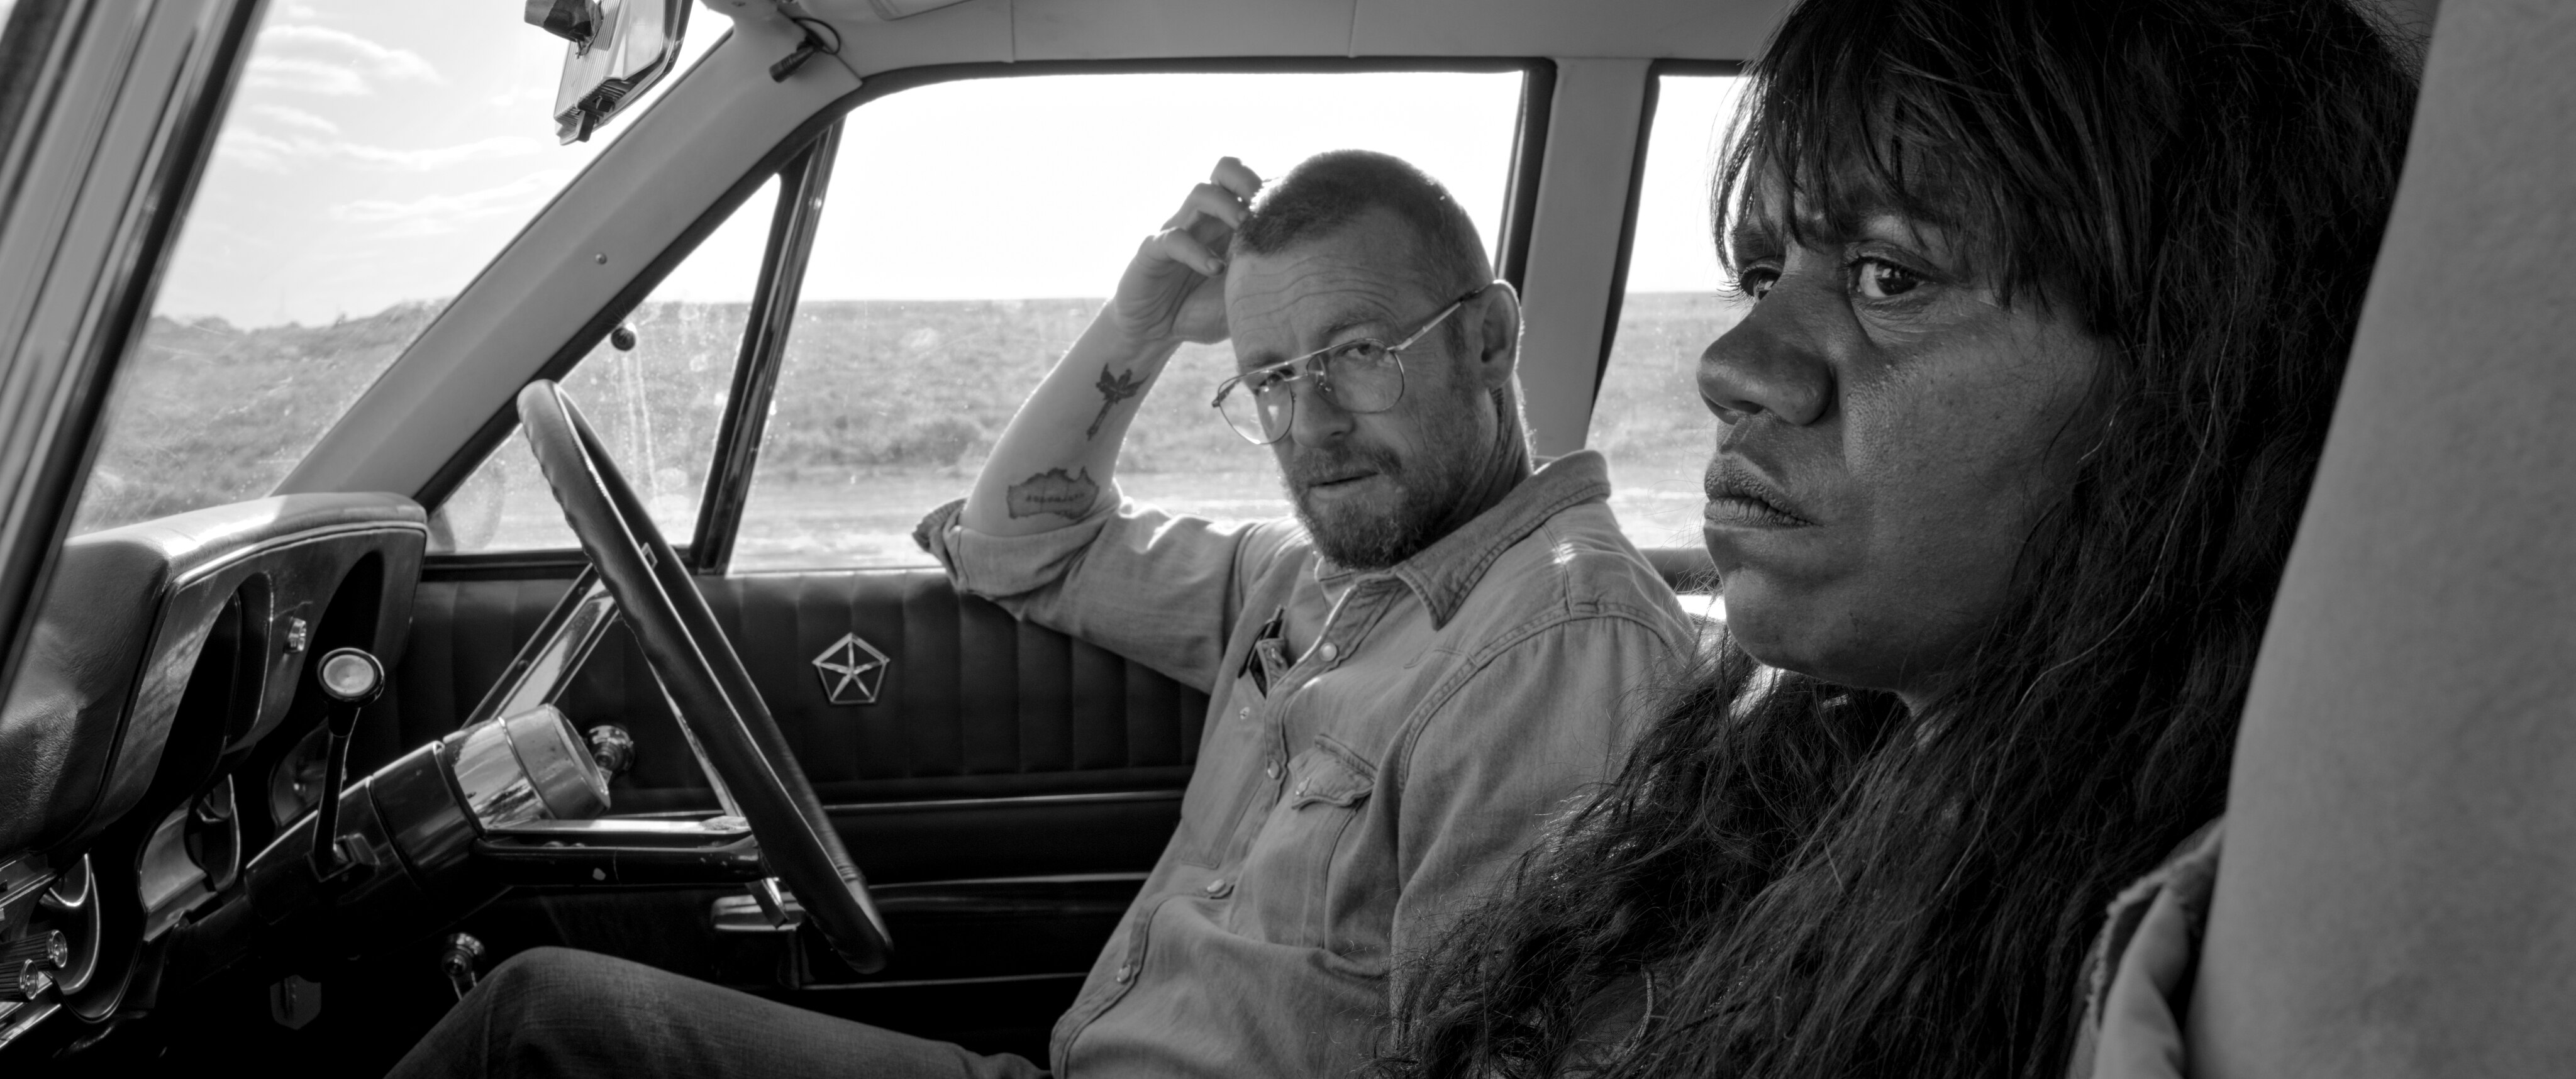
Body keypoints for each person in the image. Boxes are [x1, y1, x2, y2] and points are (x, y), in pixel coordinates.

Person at [389, 150, 1689, 1079]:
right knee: (549, 1016)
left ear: (1488, 341)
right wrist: (1138, 324)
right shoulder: (1319, 581)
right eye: (1270, 380)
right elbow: (1021, 543)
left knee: (534, 1032)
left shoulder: (1556, 644)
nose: (1310, 425)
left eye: (1356, 354)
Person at [1372, 1, 2418, 1077]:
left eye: (1891, 276)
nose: (1734, 365)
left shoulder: (2214, 941)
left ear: (2195, 374)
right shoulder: (1810, 771)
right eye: (1766, 277)